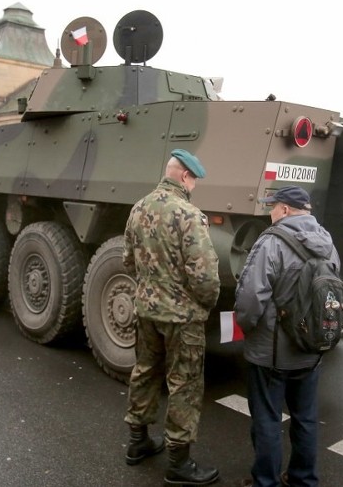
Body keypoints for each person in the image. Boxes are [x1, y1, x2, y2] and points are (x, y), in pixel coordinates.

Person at [122, 149, 221, 486]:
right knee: (184, 383)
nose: (194, 185)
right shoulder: (189, 215)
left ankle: (138, 442)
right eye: (194, 179)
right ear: (183, 176)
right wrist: (206, 304)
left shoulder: (138, 208)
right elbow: (205, 276)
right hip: (182, 317)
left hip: (146, 310)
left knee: (145, 371)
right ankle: (178, 463)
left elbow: (128, 261)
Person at [235, 186, 340, 487]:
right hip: (311, 347)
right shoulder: (328, 242)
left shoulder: (271, 241)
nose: (270, 212)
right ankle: (302, 479)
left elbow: (251, 298)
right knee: (305, 418)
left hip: (272, 350)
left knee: (267, 418)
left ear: (283, 209)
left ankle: (265, 481)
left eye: (272, 207)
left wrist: (246, 326)